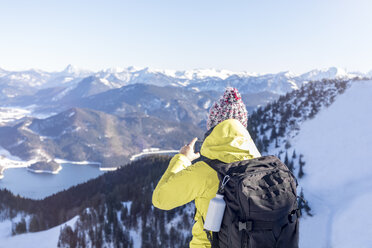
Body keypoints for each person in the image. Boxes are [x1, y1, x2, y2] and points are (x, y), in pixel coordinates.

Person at [152, 87, 261, 247]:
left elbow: (161, 199)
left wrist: (183, 159)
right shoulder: (261, 168)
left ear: (213, 127)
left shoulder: (205, 172)